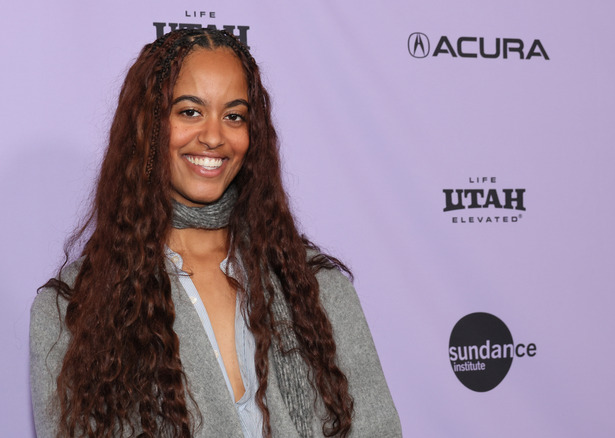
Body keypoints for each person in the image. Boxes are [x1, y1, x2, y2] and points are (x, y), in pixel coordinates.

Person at [30, 28, 401, 438]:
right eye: (190, 111)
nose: (213, 136)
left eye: (234, 116)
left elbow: (377, 429)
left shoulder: (315, 287)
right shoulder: (74, 308)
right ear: (147, 125)